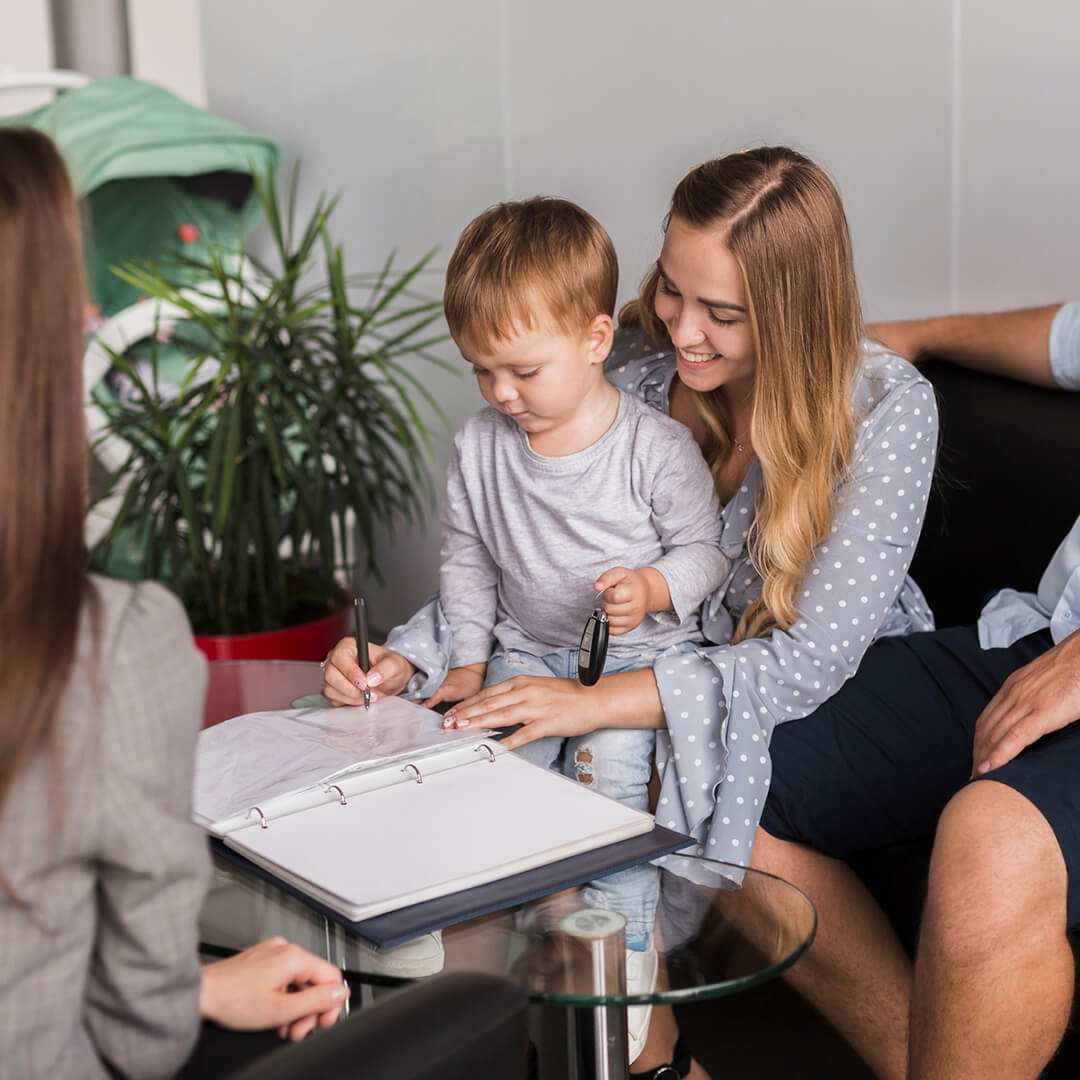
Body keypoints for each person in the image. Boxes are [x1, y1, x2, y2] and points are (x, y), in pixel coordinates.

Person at [322, 146, 940, 1078]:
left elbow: (808, 661)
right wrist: (409, 655)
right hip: (649, 664)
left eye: (723, 314)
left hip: (834, 678)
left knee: (696, 781)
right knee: (512, 783)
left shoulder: (887, 405)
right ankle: (627, 1060)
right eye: (672, 293)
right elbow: (523, 575)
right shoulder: (635, 384)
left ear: (791, 311)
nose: (684, 331)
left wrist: (599, 704)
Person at [0, 127, 349, 1079]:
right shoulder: (110, 644)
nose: (85, 308)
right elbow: (136, 1034)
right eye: (66, 285)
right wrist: (179, 991)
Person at [746, 301, 1080, 1080]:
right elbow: (1058, 341)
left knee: (991, 841)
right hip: (1033, 642)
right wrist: (917, 338)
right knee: (712, 756)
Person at [433, 195, 731, 1059]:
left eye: (523, 370)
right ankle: (529, 958)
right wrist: (464, 660)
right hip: (525, 654)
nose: (502, 393)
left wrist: (651, 586)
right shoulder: (481, 446)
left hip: (623, 672)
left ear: (596, 341)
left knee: (610, 821)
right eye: (482, 370)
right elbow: (467, 559)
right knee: (487, 793)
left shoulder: (653, 447)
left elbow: (705, 556)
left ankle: (625, 967)